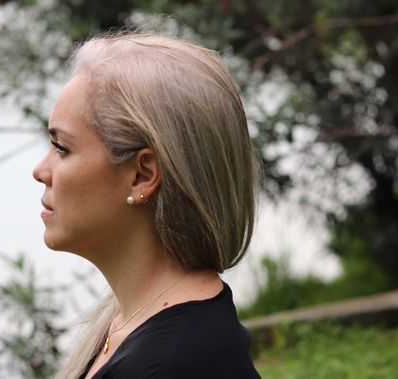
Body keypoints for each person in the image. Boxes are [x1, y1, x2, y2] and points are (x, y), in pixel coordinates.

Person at [32, 33, 261, 379]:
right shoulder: (138, 323)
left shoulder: (173, 365)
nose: (40, 171)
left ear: (142, 175)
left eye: (62, 148)